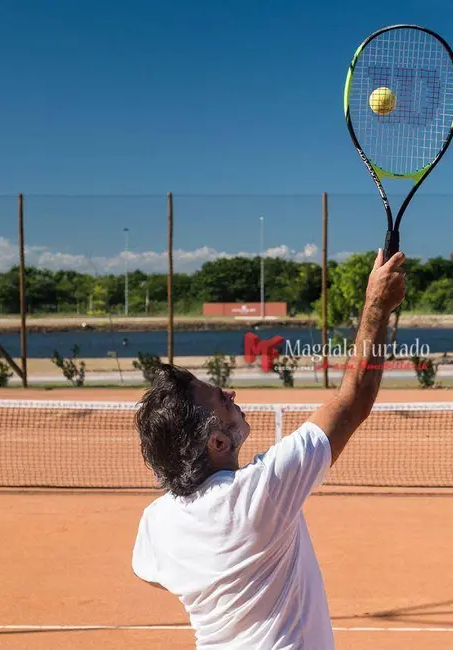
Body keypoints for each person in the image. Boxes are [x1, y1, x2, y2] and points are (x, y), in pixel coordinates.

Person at [131, 249, 406, 649]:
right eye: (221, 400)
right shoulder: (259, 495)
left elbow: (147, 571)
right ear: (218, 442)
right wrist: (377, 305)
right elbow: (352, 402)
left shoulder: (157, 522)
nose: (230, 391)